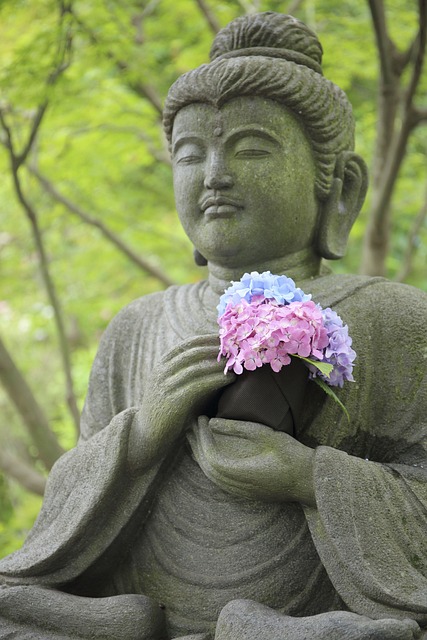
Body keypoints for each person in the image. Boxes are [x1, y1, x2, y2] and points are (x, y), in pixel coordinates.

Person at [0, 12, 426, 640]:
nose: (214, 175)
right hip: (137, 613)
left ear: (336, 187)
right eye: (190, 153)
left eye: (252, 148)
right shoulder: (137, 327)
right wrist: (139, 436)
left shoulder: (394, 317)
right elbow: (60, 520)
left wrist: (309, 477)